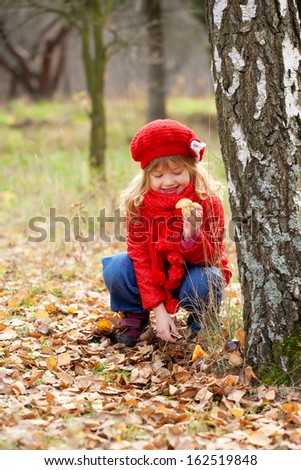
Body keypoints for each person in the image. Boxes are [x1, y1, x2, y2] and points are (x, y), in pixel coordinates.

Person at [102, 119, 232, 346]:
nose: (168, 182)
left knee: (208, 278)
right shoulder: (139, 205)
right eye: (158, 176)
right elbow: (140, 259)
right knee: (117, 267)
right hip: (155, 272)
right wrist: (158, 310)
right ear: (147, 176)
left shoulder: (207, 200)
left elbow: (213, 258)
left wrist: (192, 236)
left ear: (191, 168)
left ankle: (201, 322)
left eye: (177, 172)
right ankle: (136, 316)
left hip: (193, 274)